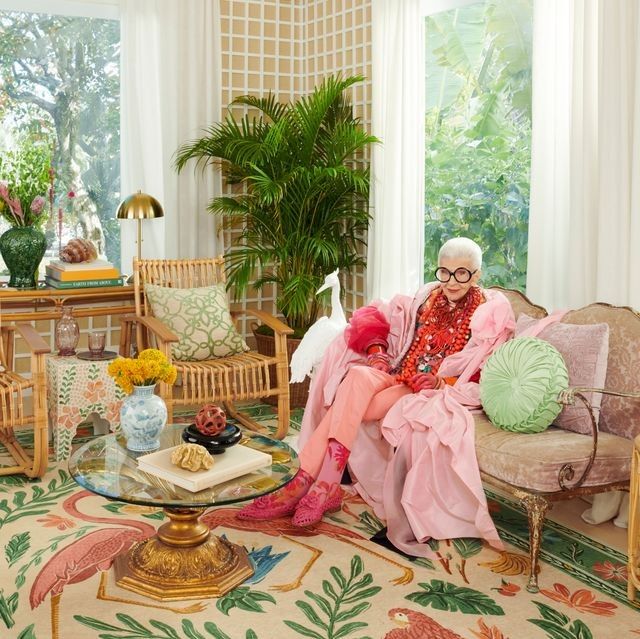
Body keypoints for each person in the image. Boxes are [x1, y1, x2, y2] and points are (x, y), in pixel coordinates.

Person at [238, 238, 515, 557]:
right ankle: (324, 485)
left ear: (477, 275)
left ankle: (306, 481)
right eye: (445, 272)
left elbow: (484, 371)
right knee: (356, 375)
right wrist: (377, 351)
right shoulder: (426, 297)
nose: (452, 281)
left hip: (419, 387)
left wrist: (442, 381)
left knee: (353, 406)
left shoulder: (488, 313)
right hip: (398, 369)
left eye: (462, 274)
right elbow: (371, 315)